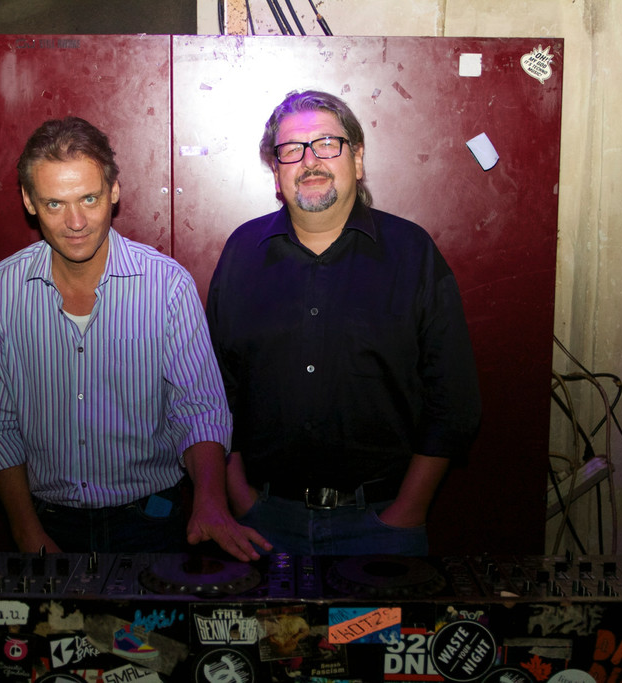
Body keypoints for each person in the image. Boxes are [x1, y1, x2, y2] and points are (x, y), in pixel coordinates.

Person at [0, 116, 268, 560]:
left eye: (89, 198)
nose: (75, 222)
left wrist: (210, 501)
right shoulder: (2, 289)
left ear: (114, 191)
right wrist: (26, 533)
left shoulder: (167, 285)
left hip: (152, 521)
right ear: (29, 202)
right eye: (54, 204)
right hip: (45, 522)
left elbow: (201, 410)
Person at [206, 90, 481, 556]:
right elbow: (215, 388)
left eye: (327, 144)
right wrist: (239, 496)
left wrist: (408, 510)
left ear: (357, 158)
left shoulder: (412, 252)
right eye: (292, 149)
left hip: (382, 524)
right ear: (276, 170)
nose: (309, 160)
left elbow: (453, 397)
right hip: (264, 523)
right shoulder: (242, 253)